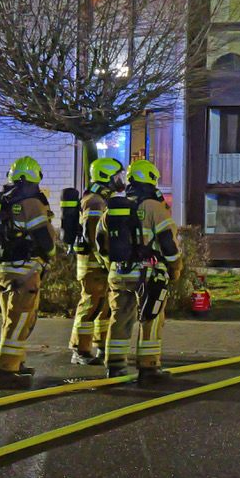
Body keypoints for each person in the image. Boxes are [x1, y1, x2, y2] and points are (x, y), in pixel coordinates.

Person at [103, 159, 180, 384]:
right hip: (147, 274)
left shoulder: (114, 207)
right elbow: (168, 242)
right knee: (151, 319)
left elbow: (100, 241)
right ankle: (149, 368)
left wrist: (112, 265)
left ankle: (115, 366)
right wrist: (175, 267)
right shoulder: (154, 207)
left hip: (118, 272)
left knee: (119, 317)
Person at [0, 157, 58, 390]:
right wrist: (51, 253)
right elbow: (44, 239)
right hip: (24, 269)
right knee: (19, 321)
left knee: (11, 320)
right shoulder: (31, 203)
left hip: (1, 268)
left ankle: (16, 363)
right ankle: (5, 372)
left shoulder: (4, 201)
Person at [69, 158, 123, 366]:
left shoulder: (101, 199)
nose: (120, 180)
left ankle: (101, 345)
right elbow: (94, 235)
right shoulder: (94, 202)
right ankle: (80, 350)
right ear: (105, 176)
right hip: (93, 265)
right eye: (116, 176)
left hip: (100, 264)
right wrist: (106, 260)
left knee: (104, 306)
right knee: (90, 305)